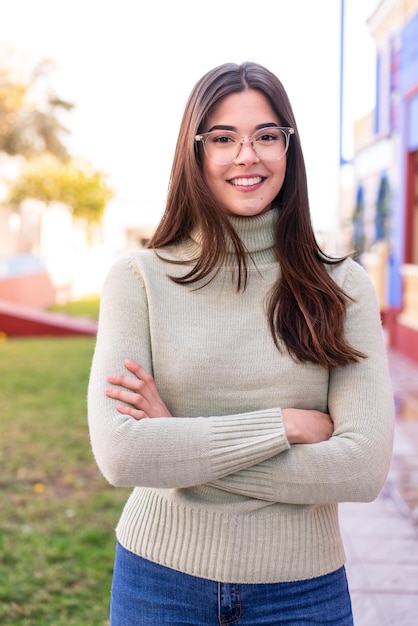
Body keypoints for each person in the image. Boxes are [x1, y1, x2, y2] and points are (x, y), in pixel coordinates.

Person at [87, 62, 395, 625]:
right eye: (224, 138)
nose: (246, 155)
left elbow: (361, 468)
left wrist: (176, 445)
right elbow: (123, 454)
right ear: (194, 150)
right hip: (160, 581)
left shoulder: (341, 285)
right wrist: (287, 425)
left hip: (302, 592)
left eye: (266, 136)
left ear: (288, 149)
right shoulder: (139, 279)